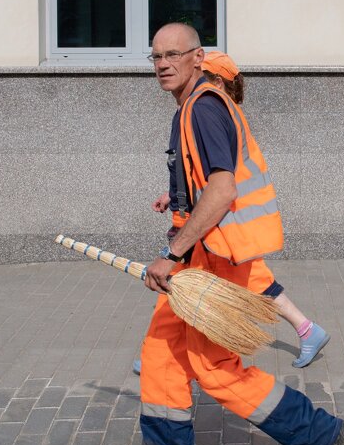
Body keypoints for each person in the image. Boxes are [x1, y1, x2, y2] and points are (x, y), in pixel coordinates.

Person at [117, 22, 344, 445]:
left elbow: (223, 191)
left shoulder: (202, 108)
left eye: (173, 54)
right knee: (161, 357)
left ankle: (323, 436)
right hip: (201, 261)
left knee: (216, 371)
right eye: (155, 56)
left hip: (211, 263)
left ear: (197, 58)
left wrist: (170, 255)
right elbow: (211, 179)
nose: (162, 64)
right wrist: (178, 196)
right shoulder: (195, 106)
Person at [136, 50, 330, 371]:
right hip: (221, 224)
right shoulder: (214, 111)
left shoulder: (209, 112)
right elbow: (199, 171)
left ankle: (163, 355)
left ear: (212, 80)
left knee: (190, 283)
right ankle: (306, 329)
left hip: (222, 225)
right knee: (196, 283)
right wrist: (174, 196)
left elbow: (220, 181)